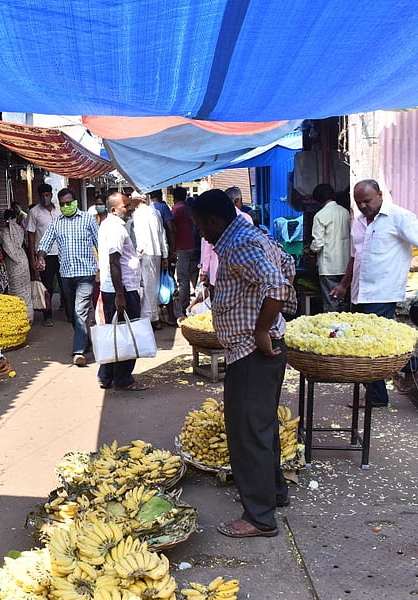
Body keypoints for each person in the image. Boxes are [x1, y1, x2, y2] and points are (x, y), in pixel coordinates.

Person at [189, 189, 296, 539]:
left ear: (215, 220)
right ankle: (273, 493)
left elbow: (278, 286)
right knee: (260, 427)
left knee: (247, 434)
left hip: (252, 351)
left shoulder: (239, 245)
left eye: (200, 225)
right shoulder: (255, 233)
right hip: (253, 350)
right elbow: (288, 265)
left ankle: (259, 518)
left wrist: (263, 329)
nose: (200, 233)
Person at [331, 179, 418, 405]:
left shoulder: (399, 217)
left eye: (367, 201)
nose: (362, 206)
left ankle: (379, 394)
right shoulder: (359, 222)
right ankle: (411, 367)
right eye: (358, 202)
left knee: (372, 344)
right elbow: (355, 257)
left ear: (380, 194)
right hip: (360, 292)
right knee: (370, 342)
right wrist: (343, 284)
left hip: (384, 291)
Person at [36, 188, 100, 367]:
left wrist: (105, 267)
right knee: (72, 313)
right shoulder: (57, 223)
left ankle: (78, 351)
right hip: (66, 274)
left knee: (80, 310)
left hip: (85, 273)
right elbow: (45, 242)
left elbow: (100, 242)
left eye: (68, 203)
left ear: (75, 202)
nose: (66, 206)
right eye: (62, 204)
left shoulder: (88, 219)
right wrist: (41, 256)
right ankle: (85, 340)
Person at [96, 192, 148, 391]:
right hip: (122, 289)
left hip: (116, 288)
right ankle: (123, 378)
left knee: (114, 332)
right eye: (125, 205)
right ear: (113, 210)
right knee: (126, 333)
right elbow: (114, 261)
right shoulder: (115, 228)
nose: (130, 207)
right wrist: (120, 294)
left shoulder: (110, 225)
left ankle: (106, 375)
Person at [305, 184, 351, 312]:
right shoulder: (345, 212)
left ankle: (332, 329)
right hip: (345, 265)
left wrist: (310, 250)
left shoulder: (320, 215)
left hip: (328, 266)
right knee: (344, 302)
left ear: (318, 199)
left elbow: (318, 244)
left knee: (332, 302)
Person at [129, 193, 169, 329]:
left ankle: (148, 319)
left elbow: (138, 237)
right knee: (153, 287)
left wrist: (137, 255)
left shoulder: (138, 215)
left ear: (138, 200)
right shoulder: (155, 212)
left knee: (145, 287)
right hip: (156, 253)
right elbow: (162, 234)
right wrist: (165, 255)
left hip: (144, 255)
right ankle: (154, 317)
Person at [27, 183, 64, 326]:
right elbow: (31, 236)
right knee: (47, 286)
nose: (44, 198)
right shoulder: (34, 212)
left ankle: (67, 310)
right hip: (44, 255)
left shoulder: (60, 210)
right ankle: (47, 315)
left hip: (61, 252)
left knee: (64, 283)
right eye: (41, 196)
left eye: (47, 195)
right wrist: (33, 259)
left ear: (51, 195)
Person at [0, 209, 34, 321]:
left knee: (15, 291)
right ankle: (28, 316)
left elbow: (9, 250)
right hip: (23, 260)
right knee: (25, 291)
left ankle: (18, 318)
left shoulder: (4, 232)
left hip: (13, 264)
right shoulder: (20, 229)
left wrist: (16, 259)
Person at [171, 187, 199, 317]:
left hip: (182, 248)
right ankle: (200, 304)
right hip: (193, 246)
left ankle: (185, 307)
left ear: (175, 197)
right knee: (195, 277)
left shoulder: (176, 210)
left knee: (183, 279)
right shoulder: (189, 208)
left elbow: (172, 229)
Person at [149, 189, 176, 254]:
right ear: (160, 196)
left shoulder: (148, 208)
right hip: (165, 241)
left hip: (152, 243)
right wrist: (173, 246)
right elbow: (170, 228)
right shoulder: (164, 207)